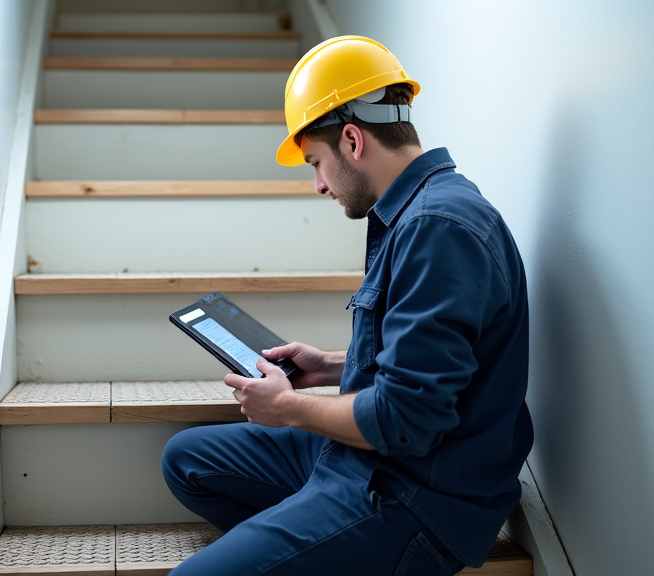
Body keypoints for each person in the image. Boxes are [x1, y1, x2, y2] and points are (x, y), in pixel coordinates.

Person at [161, 35, 534, 575]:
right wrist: (332, 365)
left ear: (353, 141)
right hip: (362, 459)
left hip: (410, 495)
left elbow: (405, 420)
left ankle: (329, 539)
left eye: (316, 162)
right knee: (186, 459)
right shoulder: (416, 212)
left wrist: (287, 408)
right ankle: (312, 542)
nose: (318, 185)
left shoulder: (437, 228)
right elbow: (430, 360)